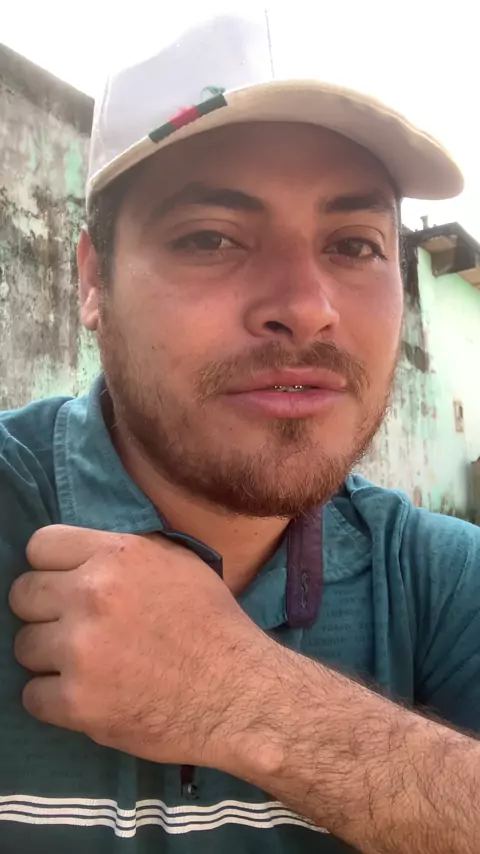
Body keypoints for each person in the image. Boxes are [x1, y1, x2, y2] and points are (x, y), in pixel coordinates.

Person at [1, 11, 479, 854]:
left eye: (354, 245)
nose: (306, 307)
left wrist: (248, 698)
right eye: (211, 237)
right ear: (92, 280)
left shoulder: (442, 582)